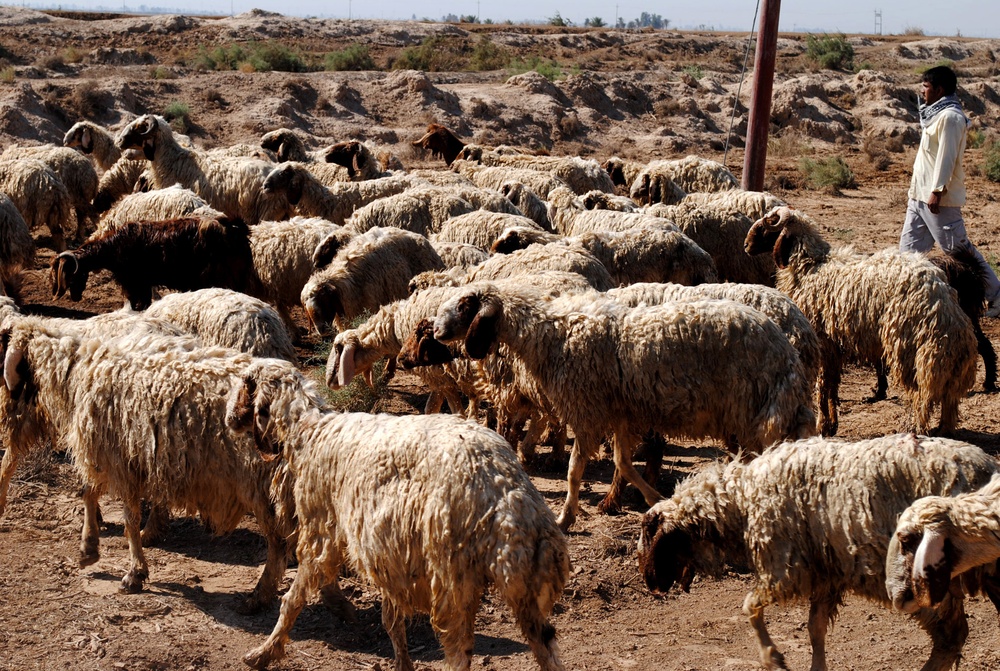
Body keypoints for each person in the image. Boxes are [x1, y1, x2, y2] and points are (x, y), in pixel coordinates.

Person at [899, 65, 1000, 317]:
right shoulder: (935, 114)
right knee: (908, 253)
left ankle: (996, 295)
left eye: (926, 87)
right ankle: (906, 299)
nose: (922, 91)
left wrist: (937, 190)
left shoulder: (951, 117)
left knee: (959, 253)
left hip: (937, 200)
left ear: (939, 89)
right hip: (919, 197)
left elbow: (946, 157)